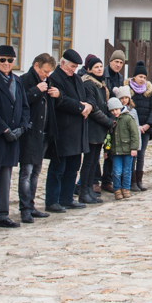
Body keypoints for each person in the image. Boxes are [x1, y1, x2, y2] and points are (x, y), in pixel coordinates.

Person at [0, 46, 29, 226]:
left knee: (6, 178)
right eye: (2, 60)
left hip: (13, 136)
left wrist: (22, 127)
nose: (6, 63)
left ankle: (2, 214)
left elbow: (24, 106)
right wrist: (3, 129)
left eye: (10, 60)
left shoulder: (17, 81)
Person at [44, 50, 91, 212]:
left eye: (75, 67)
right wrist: (80, 107)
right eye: (71, 66)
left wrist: (89, 105)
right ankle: (52, 200)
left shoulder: (76, 78)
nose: (73, 69)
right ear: (62, 63)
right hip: (63, 131)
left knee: (73, 167)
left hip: (77, 131)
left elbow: (87, 94)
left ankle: (67, 197)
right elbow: (61, 101)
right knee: (58, 169)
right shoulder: (55, 79)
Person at [18, 54, 56, 222]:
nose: (47, 75)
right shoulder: (24, 80)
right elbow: (20, 102)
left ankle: (31, 205)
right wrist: (36, 90)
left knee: (36, 171)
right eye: (45, 71)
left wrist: (57, 94)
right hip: (30, 133)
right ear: (36, 66)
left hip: (43, 133)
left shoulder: (48, 81)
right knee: (26, 172)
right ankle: (24, 208)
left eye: (49, 72)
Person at [79, 56, 115, 205]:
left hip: (100, 129)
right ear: (89, 69)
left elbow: (104, 105)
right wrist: (108, 121)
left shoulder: (101, 84)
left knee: (94, 161)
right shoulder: (89, 84)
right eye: (96, 67)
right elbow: (93, 109)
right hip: (92, 128)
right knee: (88, 162)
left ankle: (89, 191)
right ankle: (84, 191)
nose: (100, 69)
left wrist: (110, 118)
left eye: (101, 66)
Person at [100, 53, 128, 191]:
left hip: (115, 115)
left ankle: (107, 180)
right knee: (98, 152)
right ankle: (91, 181)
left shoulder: (120, 77)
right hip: (104, 114)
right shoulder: (103, 75)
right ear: (110, 61)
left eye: (121, 63)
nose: (118, 65)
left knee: (112, 151)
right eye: (116, 61)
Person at [127, 62, 152, 190]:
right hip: (133, 129)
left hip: (145, 129)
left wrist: (148, 124)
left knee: (141, 155)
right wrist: (136, 126)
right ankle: (132, 181)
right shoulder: (129, 91)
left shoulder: (148, 92)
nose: (142, 79)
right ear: (134, 77)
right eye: (140, 76)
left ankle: (139, 180)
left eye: (144, 77)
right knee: (133, 154)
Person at [108, 93, 140, 201]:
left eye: (116, 110)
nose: (115, 112)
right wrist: (106, 150)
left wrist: (134, 148)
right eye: (112, 111)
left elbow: (134, 134)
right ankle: (117, 189)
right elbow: (108, 137)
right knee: (117, 171)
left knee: (127, 170)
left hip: (127, 150)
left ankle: (126, 188)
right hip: (116, 151)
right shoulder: (111, 121)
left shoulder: (128, 118)